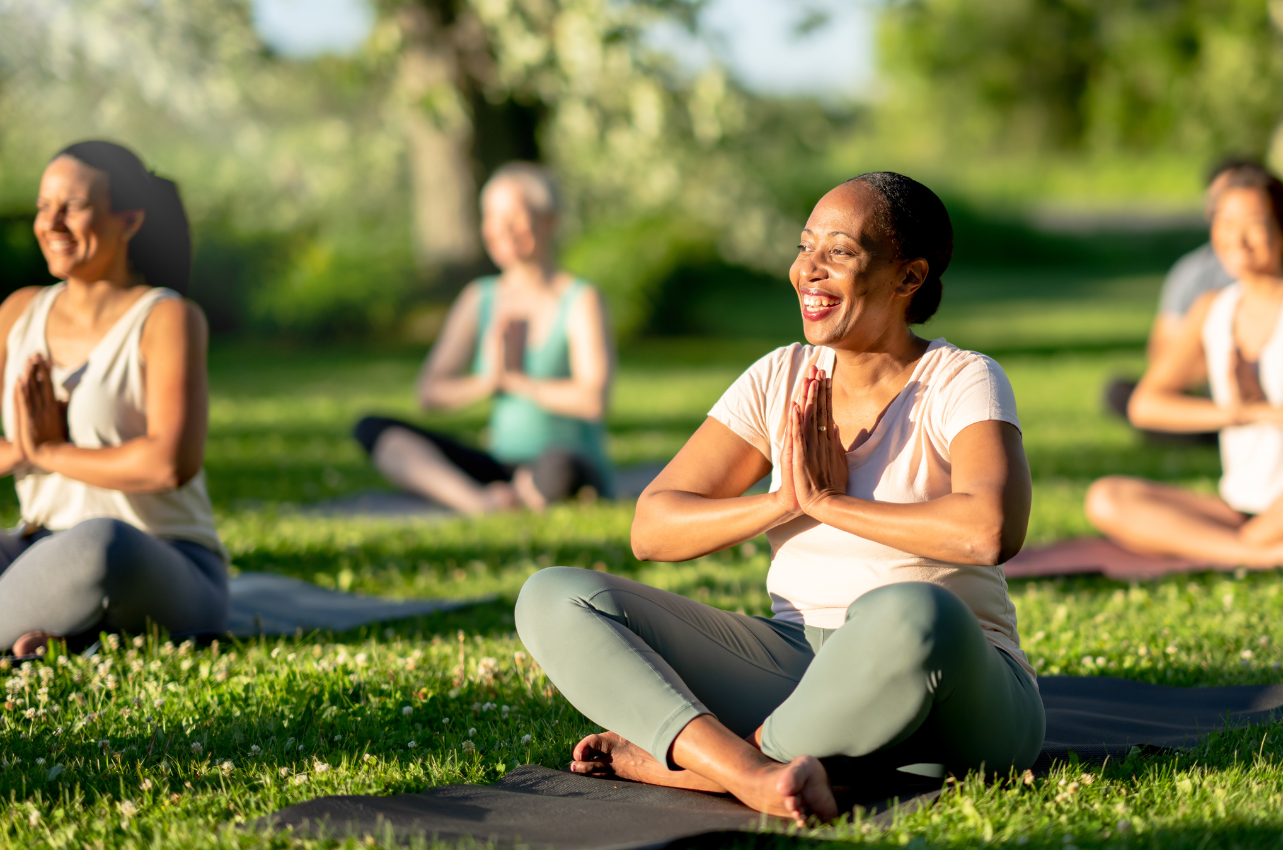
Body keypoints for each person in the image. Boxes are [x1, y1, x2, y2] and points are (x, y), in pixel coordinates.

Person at [515, 173, 1044, 824]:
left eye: (839, 251)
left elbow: (989, 529)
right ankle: (750, 774)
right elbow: (652, 528)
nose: (808, 270)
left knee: (912, 611)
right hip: (797, 664)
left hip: (954, 686)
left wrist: (829, 503)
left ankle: (703, 767)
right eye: (803, 247)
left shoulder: (959, 379)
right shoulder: (780, 375)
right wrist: (782, 502)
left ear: (908, 278)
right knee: (554, 595)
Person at [0, 141, 228, 656]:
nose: (52, 223)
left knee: (102, 544)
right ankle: (50, 628)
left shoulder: (166, 318)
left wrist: (53, 453)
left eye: (73, 207)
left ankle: (47, 624)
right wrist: (25, 448)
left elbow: (169, 464)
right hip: (37, 546)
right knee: (61, 552)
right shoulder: (17, 314)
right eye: (43, 206)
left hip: (157, 559)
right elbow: (16, 448)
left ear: (129, 220)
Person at [354, 163, 614, 513]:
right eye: (491, 217)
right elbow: (429, 393)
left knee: (559, 468)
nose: (501, 229)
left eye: (515, 217)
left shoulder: (580, 300)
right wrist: (489, 381)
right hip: (501, 464)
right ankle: (480, 501)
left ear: (550, 221)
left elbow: (593, 399)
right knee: (376, 431)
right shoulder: (480, 298)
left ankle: (529, 492)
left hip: (565, 461)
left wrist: (523, 383)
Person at [1086, 164, 1283, 567]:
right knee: (1106, 498)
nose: (1237, 240)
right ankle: (1256, 553)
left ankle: (1250, 546)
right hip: (1241, 505)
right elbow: (1146, 405)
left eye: (1255, 224)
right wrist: (1236, 413)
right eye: (1226, 223)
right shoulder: (1213, 308)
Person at [1104, 159, 1254, 437]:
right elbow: (1157, 365)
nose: (1240, 240)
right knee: (1120, 393)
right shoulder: (1207, 294)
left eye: (1253, 220)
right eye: (1224, 216)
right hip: (1209, 403)